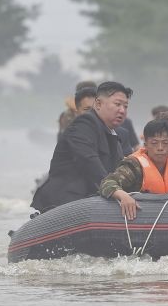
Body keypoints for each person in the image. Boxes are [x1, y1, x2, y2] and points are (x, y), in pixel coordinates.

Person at [31, 81, 132, 212]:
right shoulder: (84, 124)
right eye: (117, 104)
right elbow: (88, 160)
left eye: (125, 106)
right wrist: (115, 190)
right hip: (65, 201)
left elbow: (121, 168)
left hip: (92, 200)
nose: (122, 110)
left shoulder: (114, 133)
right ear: (99, 104)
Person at [100, 119, 168, 220]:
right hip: (140, 219)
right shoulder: (134, 165)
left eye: (165, 143)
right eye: (154, 143)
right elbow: (107, 183)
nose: (160, 148)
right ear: (146, 145)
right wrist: (123, 196)